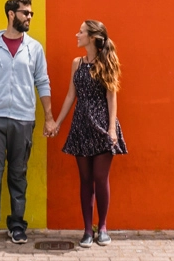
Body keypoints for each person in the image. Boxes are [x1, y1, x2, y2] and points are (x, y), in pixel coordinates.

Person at [0, 0, 56, 247]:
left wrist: (48, 118)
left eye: (31, 14)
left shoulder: (34, 48)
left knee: (18, 175)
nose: (29, 17)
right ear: (11, 14)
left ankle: (17, 226)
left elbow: (43, 81)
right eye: (25, 13)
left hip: (23, 118)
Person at [53, 20, 127, 248]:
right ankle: (87, 230)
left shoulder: (107, 60)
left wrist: (112, 129)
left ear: (93, 37)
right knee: (85, 180)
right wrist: (57, 123)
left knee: (100, 178)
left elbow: (111, 96)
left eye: (81, 32)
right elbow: (69, 96)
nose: (77, 34)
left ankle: (102, 227)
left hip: (103, 127)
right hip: (81, 127)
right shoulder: (77, 63)